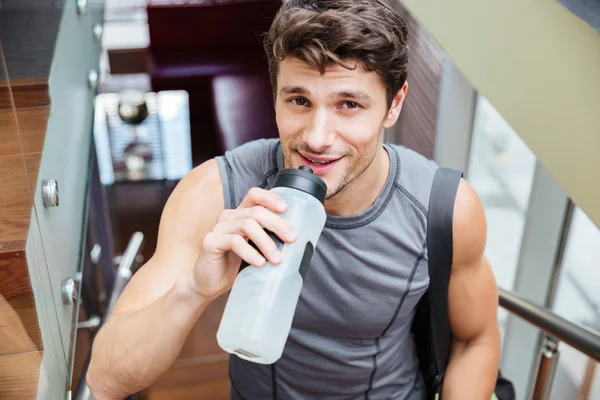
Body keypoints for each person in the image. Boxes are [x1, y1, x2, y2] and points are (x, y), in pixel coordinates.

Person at [87, 1, 501, 398]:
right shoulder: (216, 192)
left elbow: (474, 339)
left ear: (393, 105)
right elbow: (106, 379)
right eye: (299, 100)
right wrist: (195, 289)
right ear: (276, 94)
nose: (317, 138)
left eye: (349, 104)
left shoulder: (445, 208)